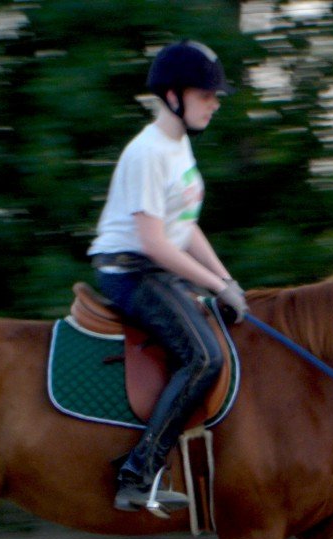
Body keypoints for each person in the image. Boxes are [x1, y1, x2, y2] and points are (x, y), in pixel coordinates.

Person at [88, 40, 248, 514]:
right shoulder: (148, 152)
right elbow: (155, 241)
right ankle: (137, 473)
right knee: (204, 358)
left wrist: (227, 279)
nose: (215, 103)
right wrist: (215, 286)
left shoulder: (177, 148)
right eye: (207, 94)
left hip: (160, 268)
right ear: (174, 96)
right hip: (130, 271)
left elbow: (185, 226)